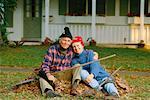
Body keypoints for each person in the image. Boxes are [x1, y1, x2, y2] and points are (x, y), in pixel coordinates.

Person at [38, 27, 81, 97]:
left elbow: (82, 52)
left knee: (78, 66)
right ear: (60, 40)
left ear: (70, 42)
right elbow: (45, 64)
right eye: (64, 40)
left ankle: (74, 88)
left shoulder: (71, 50)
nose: (66, 42)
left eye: (68, 41)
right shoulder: (52, 49)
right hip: (54, 74)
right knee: (41, 78)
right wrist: (48, 75)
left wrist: (92, 53)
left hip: (66, 74)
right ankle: (49, 91)